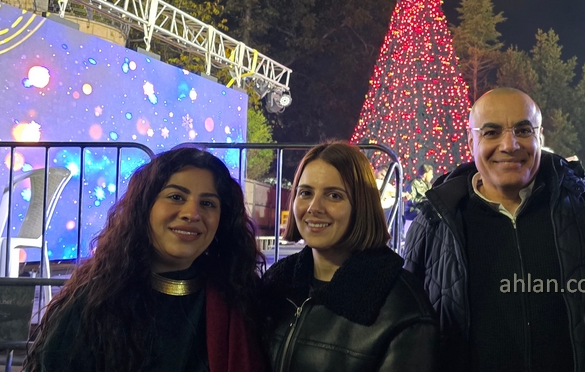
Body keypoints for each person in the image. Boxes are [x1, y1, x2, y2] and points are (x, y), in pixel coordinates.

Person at [403, 87, 585, 372]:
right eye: (491, 132)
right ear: (471, 140)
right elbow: (409, 326)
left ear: (540, 137)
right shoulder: (434, 222)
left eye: (523, 130)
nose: (509, 145)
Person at [26, 146, 265, 372]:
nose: (192, 214)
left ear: (222, 220)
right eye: (176, 197)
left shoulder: (240, 300)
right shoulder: (93, 304)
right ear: (145, 208)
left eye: (207, 203)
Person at [262, 141, 437, 371]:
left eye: (334, 195)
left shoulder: (402, 308)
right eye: (305, 192)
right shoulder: (275, 285)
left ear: (361, 206)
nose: (314, 207)